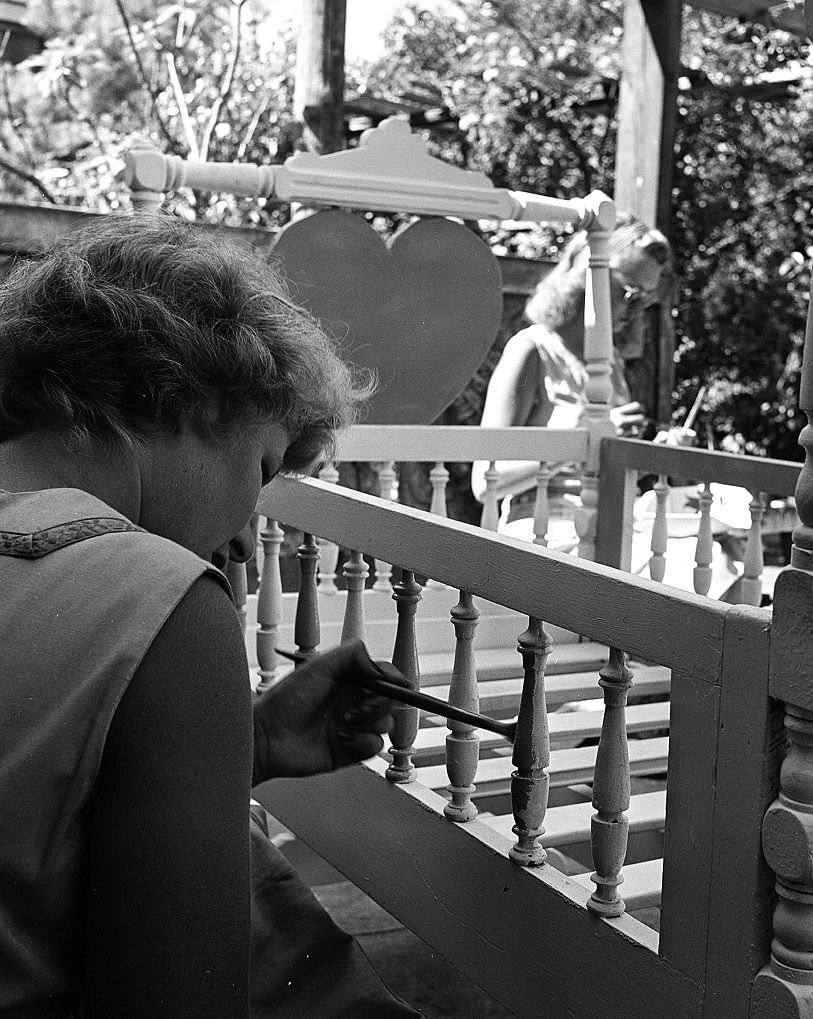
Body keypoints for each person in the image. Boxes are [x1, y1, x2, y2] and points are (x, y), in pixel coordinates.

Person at [0, 215, 421, 1017]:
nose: (241, 540)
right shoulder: (163, 600)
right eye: (260, 473)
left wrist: (241, 745)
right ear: (190, 395)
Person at [471, 214, 672, 550]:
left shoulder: (611, 364)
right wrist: (573, 442)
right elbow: (485, 483)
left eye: (646, 299)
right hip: (545, 524)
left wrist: (654, 453)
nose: (636, 309)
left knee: (724, 555)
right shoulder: (532, 349)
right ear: (586, 274)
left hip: (614, 523)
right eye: (629, 291)